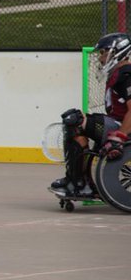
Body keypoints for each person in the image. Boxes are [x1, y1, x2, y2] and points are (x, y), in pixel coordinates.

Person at [50, 32, 131, 198]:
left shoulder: (126, 74)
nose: (101, 58)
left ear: (118, 51)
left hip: (123, 127)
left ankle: (79, 183)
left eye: (104, 52)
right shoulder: (118, 74)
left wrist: (119, 136)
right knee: (76, 124)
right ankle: (78, 181)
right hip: (118, 123)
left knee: (75, 120)